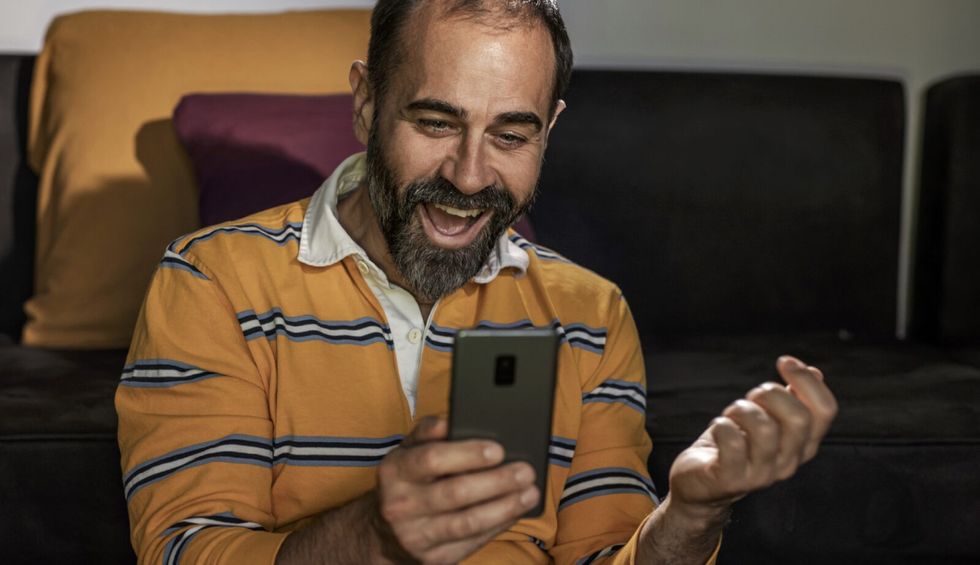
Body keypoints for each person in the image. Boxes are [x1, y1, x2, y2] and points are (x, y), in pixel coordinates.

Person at [115, 1, 838, 563]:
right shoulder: (213, 282)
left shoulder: (589, 314)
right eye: (436, 122)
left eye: (511, 136)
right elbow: (184, 549)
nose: (468, 176)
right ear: (366, 101)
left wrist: (691, 513)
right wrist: (375, 537)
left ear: (549, 130)